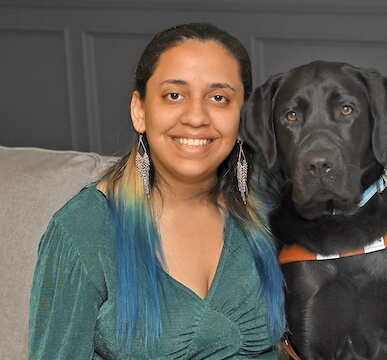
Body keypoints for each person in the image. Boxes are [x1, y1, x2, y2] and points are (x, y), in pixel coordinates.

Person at [28, 22, 285, 359]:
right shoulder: (83, 232)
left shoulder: (268, 204)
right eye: (174, 95)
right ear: (140, 111)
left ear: (243, 118)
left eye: (219, 97)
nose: (196, 117)